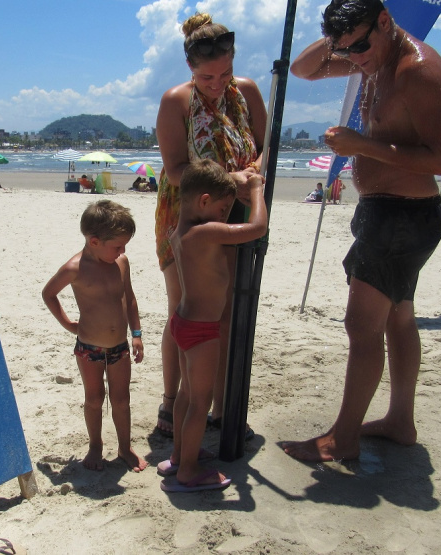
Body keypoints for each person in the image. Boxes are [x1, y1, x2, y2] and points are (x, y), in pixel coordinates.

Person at [281, 0, 441, 462]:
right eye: (347, 50)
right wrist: (342, 40)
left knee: (362, 325)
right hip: (387, 211)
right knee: (398, 317)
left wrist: (363, 145)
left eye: (360, 45)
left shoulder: (416, 70)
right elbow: (302, 68)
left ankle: (343, 438)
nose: (355, 58)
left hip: (403, 215)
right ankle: (400, 420)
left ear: (385, 21)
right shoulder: (369, 57)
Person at [153, 12, 267, 439]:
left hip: (234, 212)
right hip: (186, 214)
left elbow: (261, 148)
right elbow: (177, 169)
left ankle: (218, 406)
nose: (218, 84)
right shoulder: (175, 101)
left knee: (226, 312)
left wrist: (253, 171)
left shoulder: (248, 92)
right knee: (186, 308)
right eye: (207, 76)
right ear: (190, 68)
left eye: (226, 73)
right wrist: (229, 180)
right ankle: (171, 401)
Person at [158, 159, 267, 492]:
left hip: (182, 322)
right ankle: (188, 471)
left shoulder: (180, 230)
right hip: (203, 331)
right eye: (223, 209)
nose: (225, 216)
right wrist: (257, 191)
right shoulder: (207, 232)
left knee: (186, 396)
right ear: (204, 202)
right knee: (199, 403)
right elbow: (257, 228)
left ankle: (179, 455)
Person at [42, 200, 148, 473]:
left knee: (122, 399)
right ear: (94, 241)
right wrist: (67, 324)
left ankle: (124, 447)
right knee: (94, 398)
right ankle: (95, 446)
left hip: (119, 348)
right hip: (88, 347)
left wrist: (136, 333)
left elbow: (130, 299)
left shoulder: (121, 263)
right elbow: (49, 293)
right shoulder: (75, 268)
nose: (123, 251)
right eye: (118, 246)